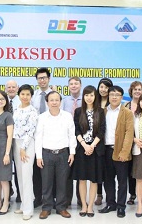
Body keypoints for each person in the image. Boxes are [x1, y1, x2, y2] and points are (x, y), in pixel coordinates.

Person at [35, 91, 76, 219]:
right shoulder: (42, 117)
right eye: (51, 100)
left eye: (56, 100)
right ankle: (46, 207)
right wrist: (39, 156)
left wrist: (72, 152)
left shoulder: (67, 116)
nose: (54, 102)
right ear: (47, 102)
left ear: (60, 102)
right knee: (46, 183)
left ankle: (61, 207)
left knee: (62, 182)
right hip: (46, 154)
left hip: (63, 154)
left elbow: (71, 135)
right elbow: (38, 137)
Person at [99, 85, 134, 218]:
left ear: (121, 97)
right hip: (106, 151)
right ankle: (110, 203)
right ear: (108, 96)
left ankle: (121, 206)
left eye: (117, 95)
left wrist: (124, 152)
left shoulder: (127, 113)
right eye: (112, 94)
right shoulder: (103, 111)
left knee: (122, 181)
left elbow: (129, 134)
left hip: (120, 150)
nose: (114, 97)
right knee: (108, 180)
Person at [72, 85, 105, 217]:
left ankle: (90, 206)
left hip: (95, 150)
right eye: (86, 95)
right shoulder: (79, 111)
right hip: (81, 149)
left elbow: (102, 130)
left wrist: (92, 145)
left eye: (91, 95)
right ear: (83, 97)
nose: (89, 98)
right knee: (81, 179)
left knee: (93, 179)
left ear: (95, 96)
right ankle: (84, 205)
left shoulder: (100, 111)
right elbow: (76, 130)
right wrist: (84, 145)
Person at [12, 84, 39, 220]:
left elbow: (31, 130)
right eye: (23, 94)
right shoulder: (16, 109)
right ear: (19, 95)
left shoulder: (33, 111)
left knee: (27, 177)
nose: (25, 97)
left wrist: (23, 148)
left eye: (28, 94)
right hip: (16, 143)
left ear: (31, 96)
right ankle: (23, 205)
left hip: (27, 145)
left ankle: (28, 210)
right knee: (20, 176)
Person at [31, 67, 52, 207]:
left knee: (51, 170)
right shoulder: (34, 96)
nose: (42, 80)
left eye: (44, 77)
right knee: (36, 170)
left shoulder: (55, 94)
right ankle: (38, 197)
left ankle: (51, 198)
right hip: (36, 137)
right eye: (39, 78)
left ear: (48, 79)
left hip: (51, 137)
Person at [61, 76, 82, 207]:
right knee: (67, 172)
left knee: (80, 171)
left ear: (80, 85)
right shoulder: (63, 101)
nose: (73, 86)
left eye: (76, 83)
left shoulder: (85, 101)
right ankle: (67, 200)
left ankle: (81, 199)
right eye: (71, 84)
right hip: (66, 139)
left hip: (81, 140)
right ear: (68, 86)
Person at [123, 81, 142, 206]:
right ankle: (132, 194)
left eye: (139, 89)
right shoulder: (126, 106)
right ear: (131, 91)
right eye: (135, 89)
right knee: (130, 170)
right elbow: (124, 126)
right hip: (129, 143)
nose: (137, 91)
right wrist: (133, 139)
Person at [95, 77, 113, 205]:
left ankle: (110, 196)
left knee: (108, 171)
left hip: (109, 141)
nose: (103, 89)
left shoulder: (113, 103)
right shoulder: (94, 102)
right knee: (98, 169)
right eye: (101, 86)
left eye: (106, 87)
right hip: (96, 141)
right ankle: (99, 194)